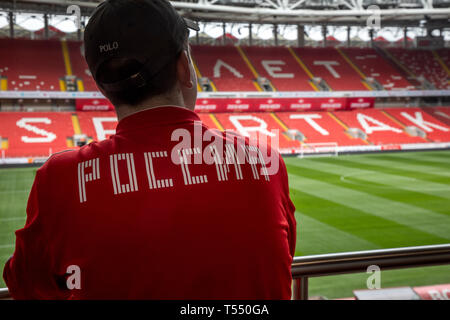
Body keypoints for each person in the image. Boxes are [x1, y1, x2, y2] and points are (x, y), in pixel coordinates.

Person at [3, 0, 296, 299]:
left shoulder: (59, 179)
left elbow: (27, 286)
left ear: (102, 86)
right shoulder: (263, 160)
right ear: (185, 67)